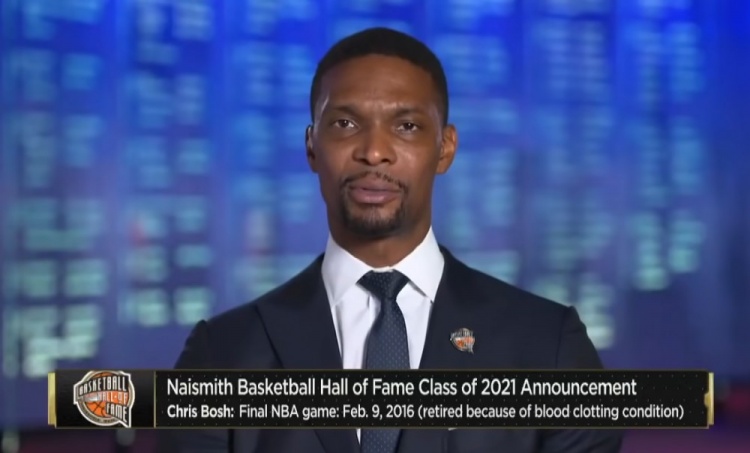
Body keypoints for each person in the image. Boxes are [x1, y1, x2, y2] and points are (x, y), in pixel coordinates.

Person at [158, 27, 622, 453]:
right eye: (345, 124)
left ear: (445, 148)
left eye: (406, 126)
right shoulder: (222, 355)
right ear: (311, 146)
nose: (374, 151)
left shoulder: (550, 348)